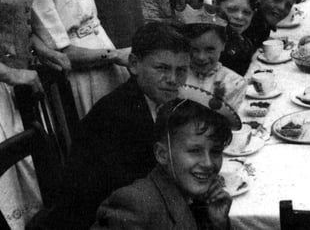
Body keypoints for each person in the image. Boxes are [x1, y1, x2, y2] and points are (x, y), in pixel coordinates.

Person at [32, 22, 191, 230]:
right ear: (133, 64)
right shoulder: (118, 116)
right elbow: (131, 195)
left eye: (181, 71)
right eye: (161, 68)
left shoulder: (152, 101)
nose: (172, 80)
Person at [0, 0, 70, 230]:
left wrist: (42, 51)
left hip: (19, 85)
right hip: (5, 89)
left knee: (35, 183)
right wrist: (12, 74)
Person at [92, 98, 233, 229]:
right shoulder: (136, 204)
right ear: (162, 154)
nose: (208, 163)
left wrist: (219, 224)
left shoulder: (199, 199)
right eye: (195, 151)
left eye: (215, 151)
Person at [179, 19, 248, 113]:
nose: (201, 57)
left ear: (223, 45)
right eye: (194, 49)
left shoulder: (235, 83)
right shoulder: (177, 77)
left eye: (209, 49)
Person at [214, 0, 260, 76]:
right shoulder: (214, 46)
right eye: (232, 9)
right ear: (215, 5)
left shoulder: (242, 40)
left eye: (247, 12)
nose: (240, 17)